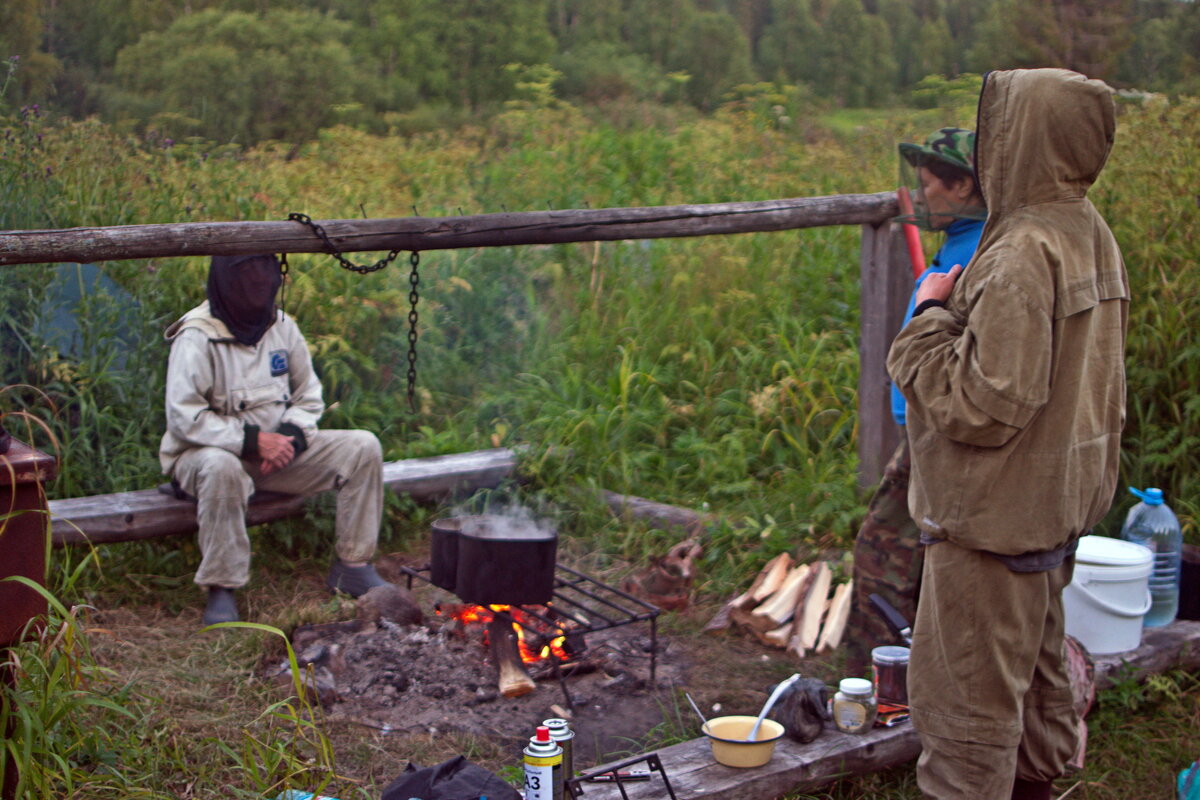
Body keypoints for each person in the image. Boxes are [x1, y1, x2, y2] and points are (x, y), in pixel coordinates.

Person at [887, 68, 1127, 800]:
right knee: (1037, 690)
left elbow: (987, 404)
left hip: (992, 524)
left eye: (996, 128)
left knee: (967, 717)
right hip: (1047, 509)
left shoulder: (1022, 250)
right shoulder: (1087, 230)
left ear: (1018, 138)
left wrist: (928, 318)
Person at [160, 254, 391, 625]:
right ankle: (222, 587)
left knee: (363, 446)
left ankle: (353, 565)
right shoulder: (196, 336)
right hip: (203, 459)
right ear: (226, 283)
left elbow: (309, 396)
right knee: (222, 467)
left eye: (264, 280)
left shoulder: (282, 326)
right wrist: (253, 442)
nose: (258, 289)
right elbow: (185, 417)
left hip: (277, 458)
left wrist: (288, 439)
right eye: (247, 282)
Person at [844, 127, 986, 676]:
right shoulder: (960, 239)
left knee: (884, 560)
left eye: (931, 186)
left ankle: (878, 690)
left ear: (964, 186)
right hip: (924, 426)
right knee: (916, 562)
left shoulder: (981, 251)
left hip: (941, 434)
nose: (922, 197)